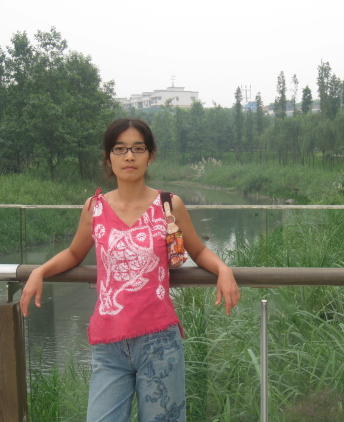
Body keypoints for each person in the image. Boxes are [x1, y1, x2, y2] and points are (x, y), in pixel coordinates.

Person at [20, 118, 240, 422]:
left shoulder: (168, 205)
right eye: (120, 149)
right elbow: (74, 253)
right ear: (108, 157)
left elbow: (198, 251)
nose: (129, 157)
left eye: (138, 148)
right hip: (108, 342)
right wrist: (40, 271)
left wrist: (223, 269)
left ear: (150, 155)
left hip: (158, 341)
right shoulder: (95, 207)